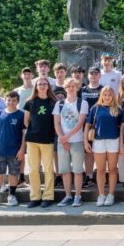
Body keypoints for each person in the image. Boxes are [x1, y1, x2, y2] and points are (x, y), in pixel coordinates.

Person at [0, 91, 26, 208]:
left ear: (17, 102)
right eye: (9, 100)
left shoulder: (21, 115)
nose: (11, 102)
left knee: (13, 174)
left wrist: (22, 149)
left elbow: (24, 133)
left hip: (15, 151)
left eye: (14, 100)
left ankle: (12, 196)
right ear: (5, 101)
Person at [53, 78, 88, 207]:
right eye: (69, 86)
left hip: (77, 140)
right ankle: (68, 195)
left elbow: (80, 123)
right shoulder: (59, 104)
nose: (71, 88)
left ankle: (78, 196)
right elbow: (56, 122)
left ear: (77, 88)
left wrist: (66, 137)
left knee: (78, 170)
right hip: (62, 142)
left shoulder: (82, 103)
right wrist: (62, 138)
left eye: (73, 86)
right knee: (65, 170)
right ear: (66, 88)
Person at [23, 77, 57, 208]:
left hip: (47, 139)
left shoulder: (53, 102)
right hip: (32, 140)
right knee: (33, 169)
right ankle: (35, 197)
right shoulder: (30, 102)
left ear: (48, 86)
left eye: (44, 84)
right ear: (36, 86)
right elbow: (26, 121)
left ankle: (48, 196)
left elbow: (56, 121)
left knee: (48, 169)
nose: (42, 86)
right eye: (39, 84)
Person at [84, 86, 121, 206]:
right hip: (98, 141)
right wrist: (85, 141)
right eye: (105, 94)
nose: (107, 97)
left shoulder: (118, 109)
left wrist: (121, 145)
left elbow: (122, 129)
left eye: (109, 95)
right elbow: (88, 125)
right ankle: (101, 194)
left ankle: (110, 194)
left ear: (113, 96)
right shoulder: (95, 108)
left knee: (112, 169)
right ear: (101, 95)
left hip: (113, 141)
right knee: (100, 169)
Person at [80, 66, 104, 187]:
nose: (93, 76)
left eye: (96, 73)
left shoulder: (103, 89)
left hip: (100, 124)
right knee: (88, 151)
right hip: (86, 124)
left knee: (101, 151)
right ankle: (89, 176)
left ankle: (102, 175)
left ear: (100, 76)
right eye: (91, 73)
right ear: (88, 76)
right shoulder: (82, 90)